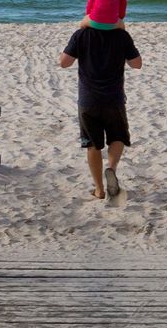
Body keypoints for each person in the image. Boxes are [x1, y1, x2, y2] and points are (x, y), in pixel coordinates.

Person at [59, 24, 142, 200]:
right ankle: (111, 168)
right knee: (118, 137)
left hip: (88, 100)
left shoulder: (81, 35)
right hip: (114, 99)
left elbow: (64, 63)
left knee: (92, 145)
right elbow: (137, 64)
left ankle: (99, 189)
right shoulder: (121, 36)